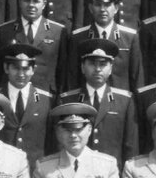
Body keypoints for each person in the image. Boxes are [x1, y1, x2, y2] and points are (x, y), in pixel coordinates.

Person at [58, 39, 140, 167]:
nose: (97, 69)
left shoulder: (125, 101)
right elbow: (60, 142)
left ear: (111, 68)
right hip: (76, 171)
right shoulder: (68, 100)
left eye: (103, 64)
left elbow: (131, 145)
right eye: (92, 64)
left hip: (112, 172)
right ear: (82, 67)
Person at [0, 0, 68, 96]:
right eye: (27, 0)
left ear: (44, 4)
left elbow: (62, 72)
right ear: (19, 2)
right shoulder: (3, 31)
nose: (31, 5)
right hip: (11, 95)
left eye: (36, 1)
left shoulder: (58, 31)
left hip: (46, 96)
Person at [68, 0, 145, 94]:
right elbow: (72, 77)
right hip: (87, 100)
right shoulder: (78, 37)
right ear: (90, 8)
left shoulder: (130, 38)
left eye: (107, 5)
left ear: (116, 8)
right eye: (98, 4)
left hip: (120, 101)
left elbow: (136, 77)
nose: (102, 9)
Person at [0, 42, 55, 167]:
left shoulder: (45, 100)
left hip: (34, 169)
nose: (21, 74)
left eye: (25, 69)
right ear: (6, 68)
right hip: (2, 168)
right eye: (16, 68)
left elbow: (51, 141)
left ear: (33, 70)